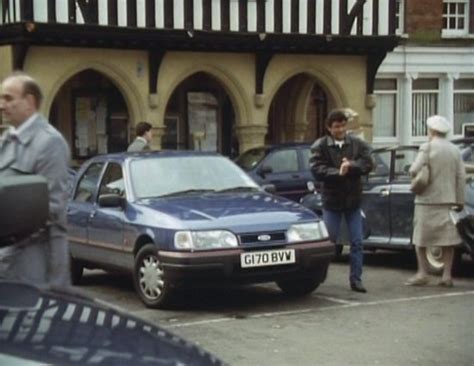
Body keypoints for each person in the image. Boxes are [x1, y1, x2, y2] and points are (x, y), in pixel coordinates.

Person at [0, 71, 71, 287]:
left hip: (36, 262)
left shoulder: (49, 143)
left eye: (8, 98)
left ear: (30, 102)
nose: (2, 105)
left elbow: (53, 207)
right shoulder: (7, 139)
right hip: (8, 259)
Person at [310, 109, 373, 293]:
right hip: (332, 201)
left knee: (357, 241)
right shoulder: (320, 146)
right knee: (330, 242)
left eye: (343, 126)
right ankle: (318, 276)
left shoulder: (356, 143)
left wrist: (351, 166)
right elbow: (317, 169)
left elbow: (368, 163)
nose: (340, 130)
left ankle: (356, 279)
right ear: (329, 128)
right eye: (336, 127)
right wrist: (338, 172)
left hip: (353, 200)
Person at [405, 115, 465, 287]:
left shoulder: (427, 147)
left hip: (426, 201)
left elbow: (414, 169)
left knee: (420, 239)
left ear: (431, 131)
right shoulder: (455, 150)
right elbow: (461, 177)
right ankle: (446, 276)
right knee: (448, 241)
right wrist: (459, 201)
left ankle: (422, 273)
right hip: (447, 200)